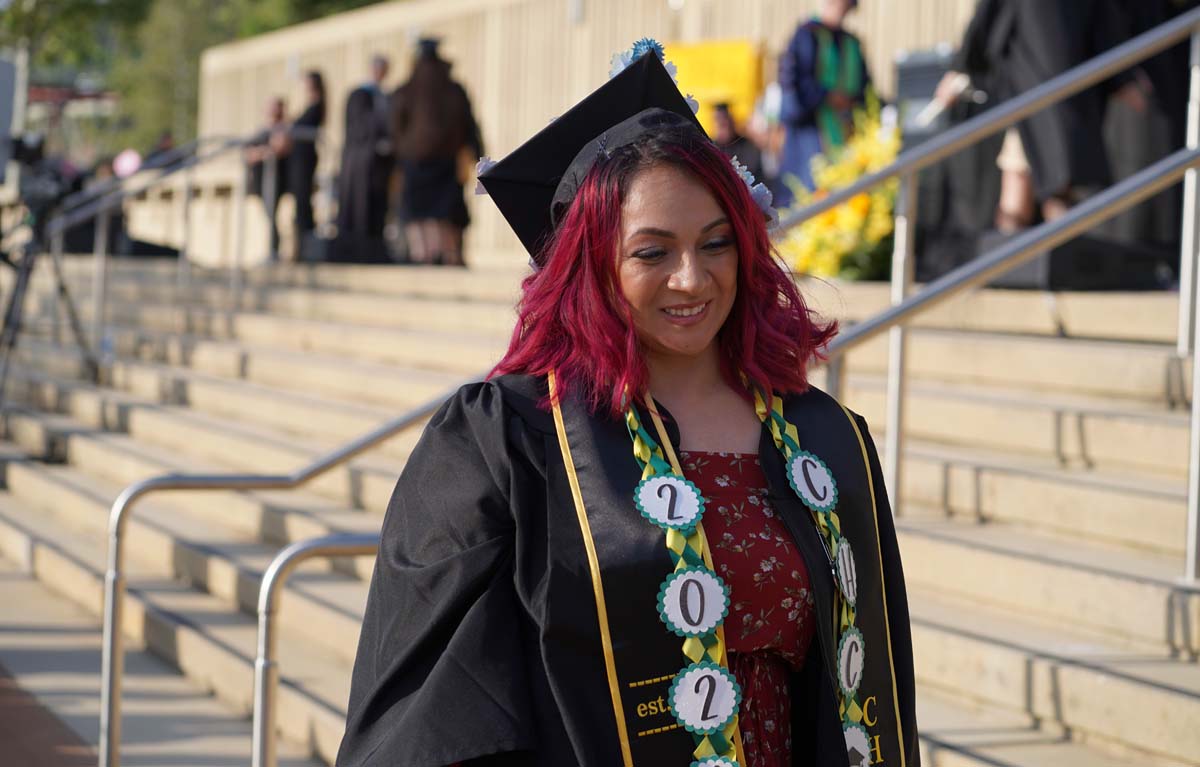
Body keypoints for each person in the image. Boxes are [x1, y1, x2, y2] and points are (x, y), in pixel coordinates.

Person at [337, 40, 917, 767]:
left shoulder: (821, 437)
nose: (691, 278)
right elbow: (439, 717)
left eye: (716, 244)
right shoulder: (507, 442)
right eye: (651, 252)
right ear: (591, 265)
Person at [933, 0, 1147, 232]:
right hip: (1033, 85)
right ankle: (1016, 261)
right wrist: (960, 68)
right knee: (1029, 184)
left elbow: (1102, 20)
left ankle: (1042, 261)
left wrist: (1123, 77)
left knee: (1046, 185)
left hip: (1058, 87)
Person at [390, 38, 483, 266]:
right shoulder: (454, 90)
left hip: (415, 160)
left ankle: (424, 254)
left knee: (418, 212)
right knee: (445, 212)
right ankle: (449, 253)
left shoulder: (406, 90)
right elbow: (470, 124)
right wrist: (476, 150)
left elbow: (395, 128)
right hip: (447, 160)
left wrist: (402, 152)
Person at [777, 0, 874, 204]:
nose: (842, 10)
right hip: (811, 133)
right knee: (808, 194)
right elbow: (795, 83)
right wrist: (827, 96)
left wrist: (852, 101)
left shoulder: (851, 42)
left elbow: (866, 88)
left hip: (847, 129)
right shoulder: (806, 35)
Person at [337, 55, 394, 256]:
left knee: (378, 206)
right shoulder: (359, 95)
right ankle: (356, 248)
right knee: (358, 206)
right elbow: (359, 126)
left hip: (380, 163)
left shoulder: (386, 97)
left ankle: (375, 247)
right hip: (360, 160)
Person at [274, 70, 325, 259]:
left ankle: (306, 250)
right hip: (298, 161)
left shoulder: (316, 106)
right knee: (299, 204)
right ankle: (300, 249)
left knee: (303, 203)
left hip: (304, 161)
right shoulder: (308, 106)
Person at [243, 97, 291, 257]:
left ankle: (274, 250)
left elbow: (278, 149)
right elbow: (248, 153)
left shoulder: (283, 128)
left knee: (272, 214)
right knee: (268, 215)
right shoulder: (262, 130)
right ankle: (271, 250)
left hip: (275, 178)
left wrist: (261, 152)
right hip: (260, 178)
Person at [712, 102, 765, 187]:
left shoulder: (747, 146)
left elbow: (753, 174)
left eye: (725, 122)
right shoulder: (712, 148)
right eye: (720, 124)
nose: (724, 127)